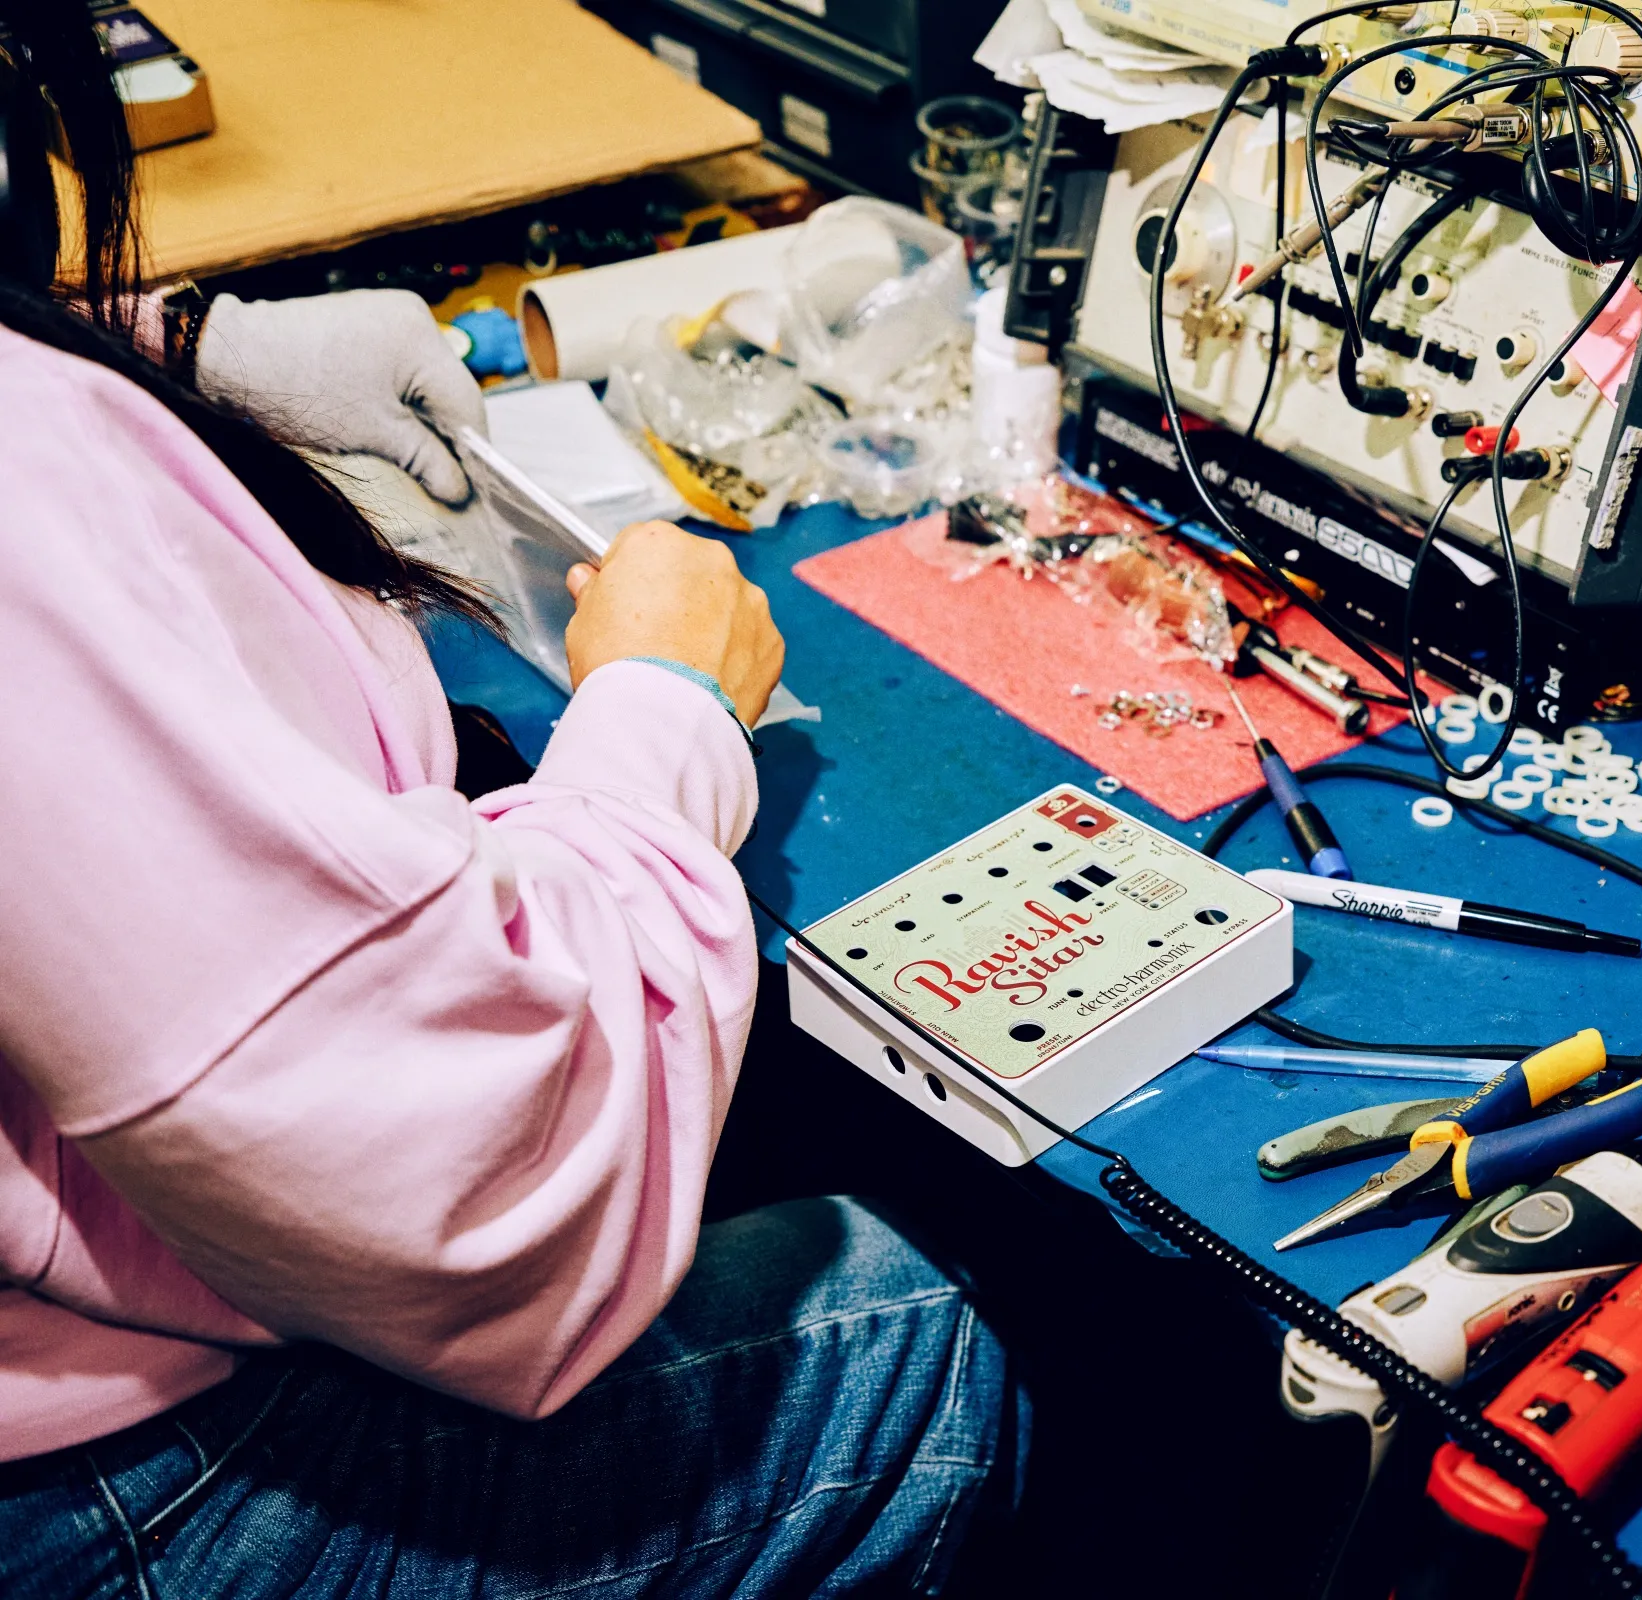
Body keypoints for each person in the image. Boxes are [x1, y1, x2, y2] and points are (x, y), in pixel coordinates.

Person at [0, 6, 1021, 1596]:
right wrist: (663, 710)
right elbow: (483, 1201)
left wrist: (179, 350)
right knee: (906, 1344)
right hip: (78, 1489)